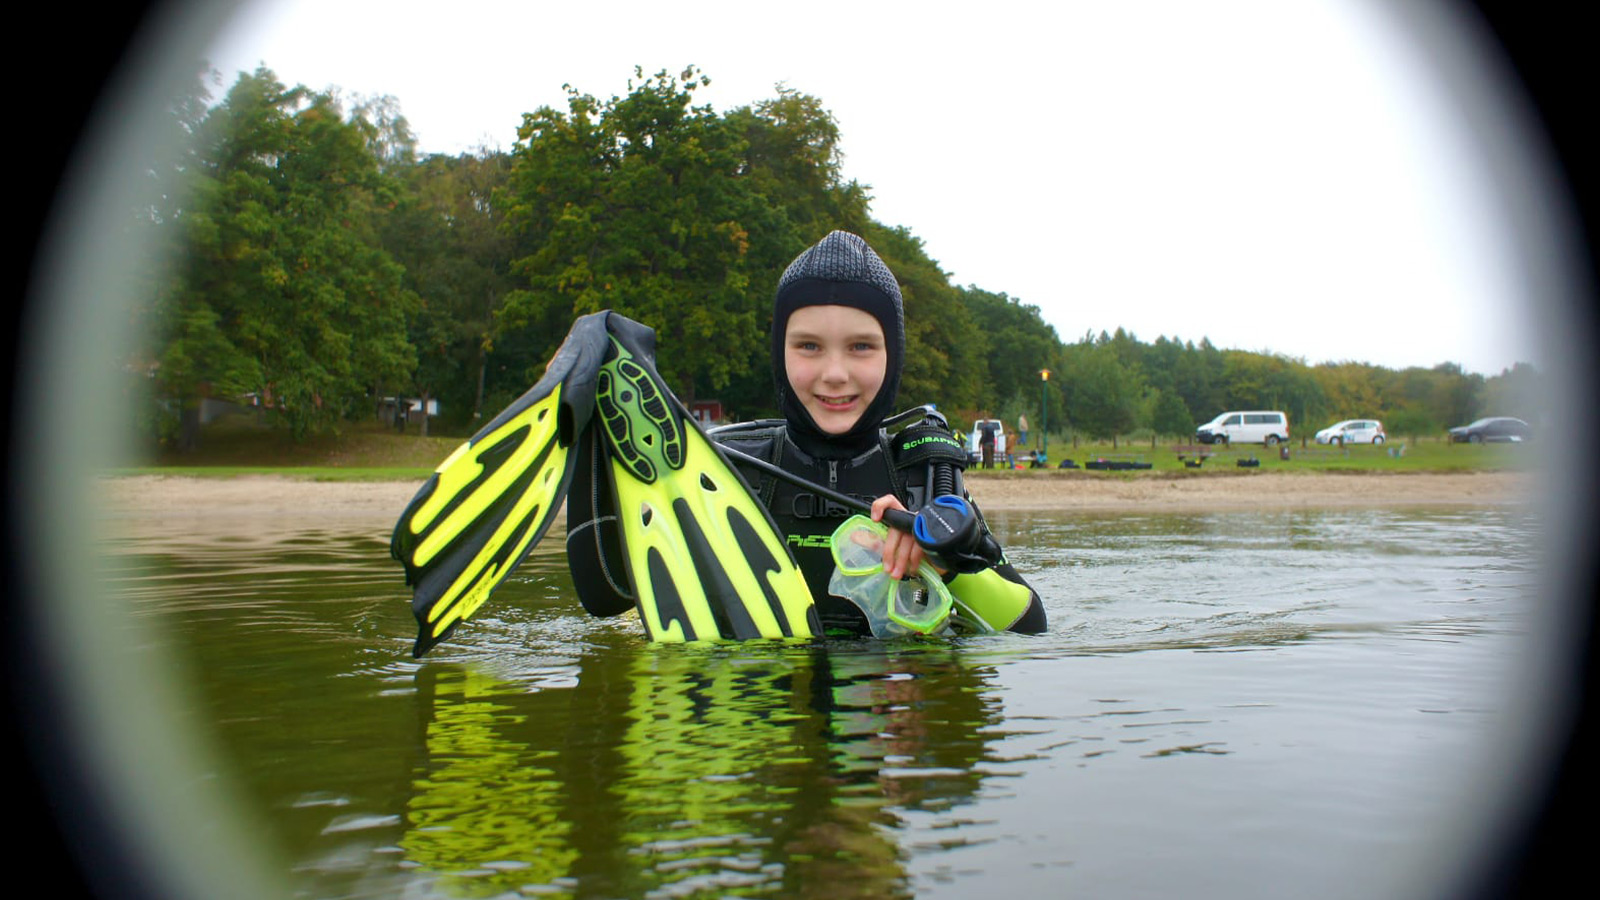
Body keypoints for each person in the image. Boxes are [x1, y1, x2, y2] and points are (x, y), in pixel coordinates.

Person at [712, 231, 1047, 637]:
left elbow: (1028, 627)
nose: (835, 374)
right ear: (779, 350)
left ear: (894, 353)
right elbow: (612, 601)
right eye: (809, 346)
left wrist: (949, 566)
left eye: (861, 347)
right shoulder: (724, 471)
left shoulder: (924, 478)